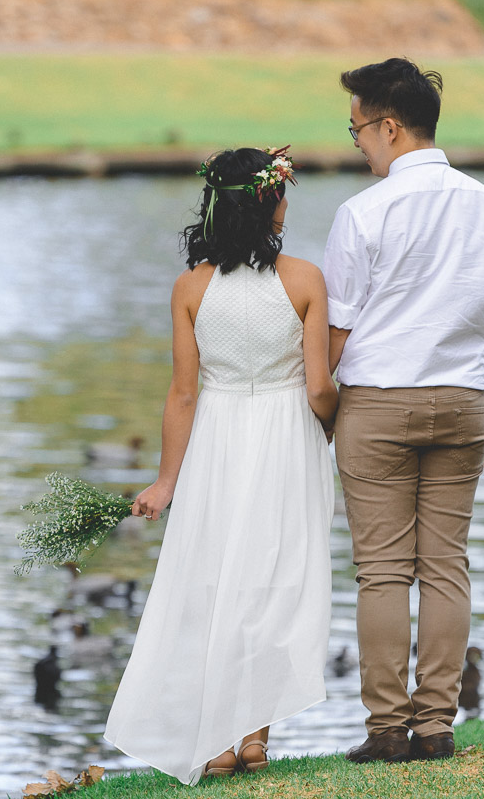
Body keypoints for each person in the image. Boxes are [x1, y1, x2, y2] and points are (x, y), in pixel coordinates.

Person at [103, 146, 338, 783]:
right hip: (286, 435)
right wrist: (335, 423)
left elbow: (183, 391)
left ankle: (219, 743)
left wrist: (166, 480)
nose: (289, 204)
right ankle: (253, 734)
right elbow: (319, 386)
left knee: (214, 576)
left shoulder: (189, 289)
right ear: (268, 203)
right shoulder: (306, 280)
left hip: (216, 438)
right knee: (274, 574)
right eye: (284, 193)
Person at [323, 58, 484, 763]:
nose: (359, 146)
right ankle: (437, 727)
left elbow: (338, 331)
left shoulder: (363, 213)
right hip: (463, 401)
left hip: (377, 403)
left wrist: (321, 402)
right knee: (445, 567)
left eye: (358, 133)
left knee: (381, 571)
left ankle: (385, 730)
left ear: (390, 126)